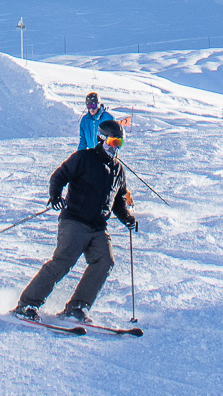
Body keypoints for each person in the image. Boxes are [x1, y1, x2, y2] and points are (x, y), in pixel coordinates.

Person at [14, 118, 137, 323]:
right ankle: (27, 304)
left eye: (119, 144)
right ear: (101, 139)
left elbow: (118, 200)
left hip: (98, 226)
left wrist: (127, 218)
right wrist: (55, 194)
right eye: (113, 142)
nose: (115, 148)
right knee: (63, 262)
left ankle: (77, 307)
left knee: (104, 261)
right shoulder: (84, 158)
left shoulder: (118, 170)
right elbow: (59, 176)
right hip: (75, 221)